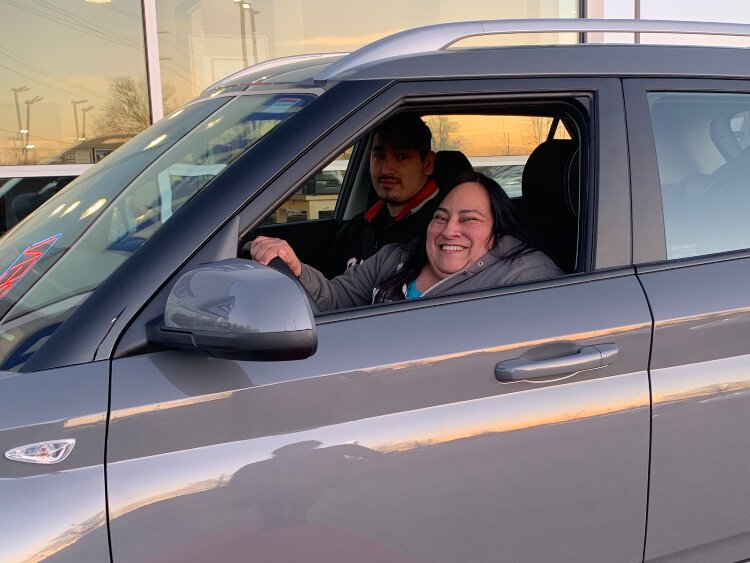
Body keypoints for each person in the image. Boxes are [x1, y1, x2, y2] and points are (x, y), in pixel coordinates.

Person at [251, 172, 563, 312]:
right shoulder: (395, 258)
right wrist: (295, 268)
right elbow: (333, 300)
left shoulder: (524, 275)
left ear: (497, 231)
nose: (449, 230)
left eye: (468, 219)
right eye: (441, 217)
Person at [328, 114, 440, 274]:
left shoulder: (441, 231)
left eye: (401, 157)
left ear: (427, 164)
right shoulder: (357, 228)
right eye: (379, 156)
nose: (386, 169)